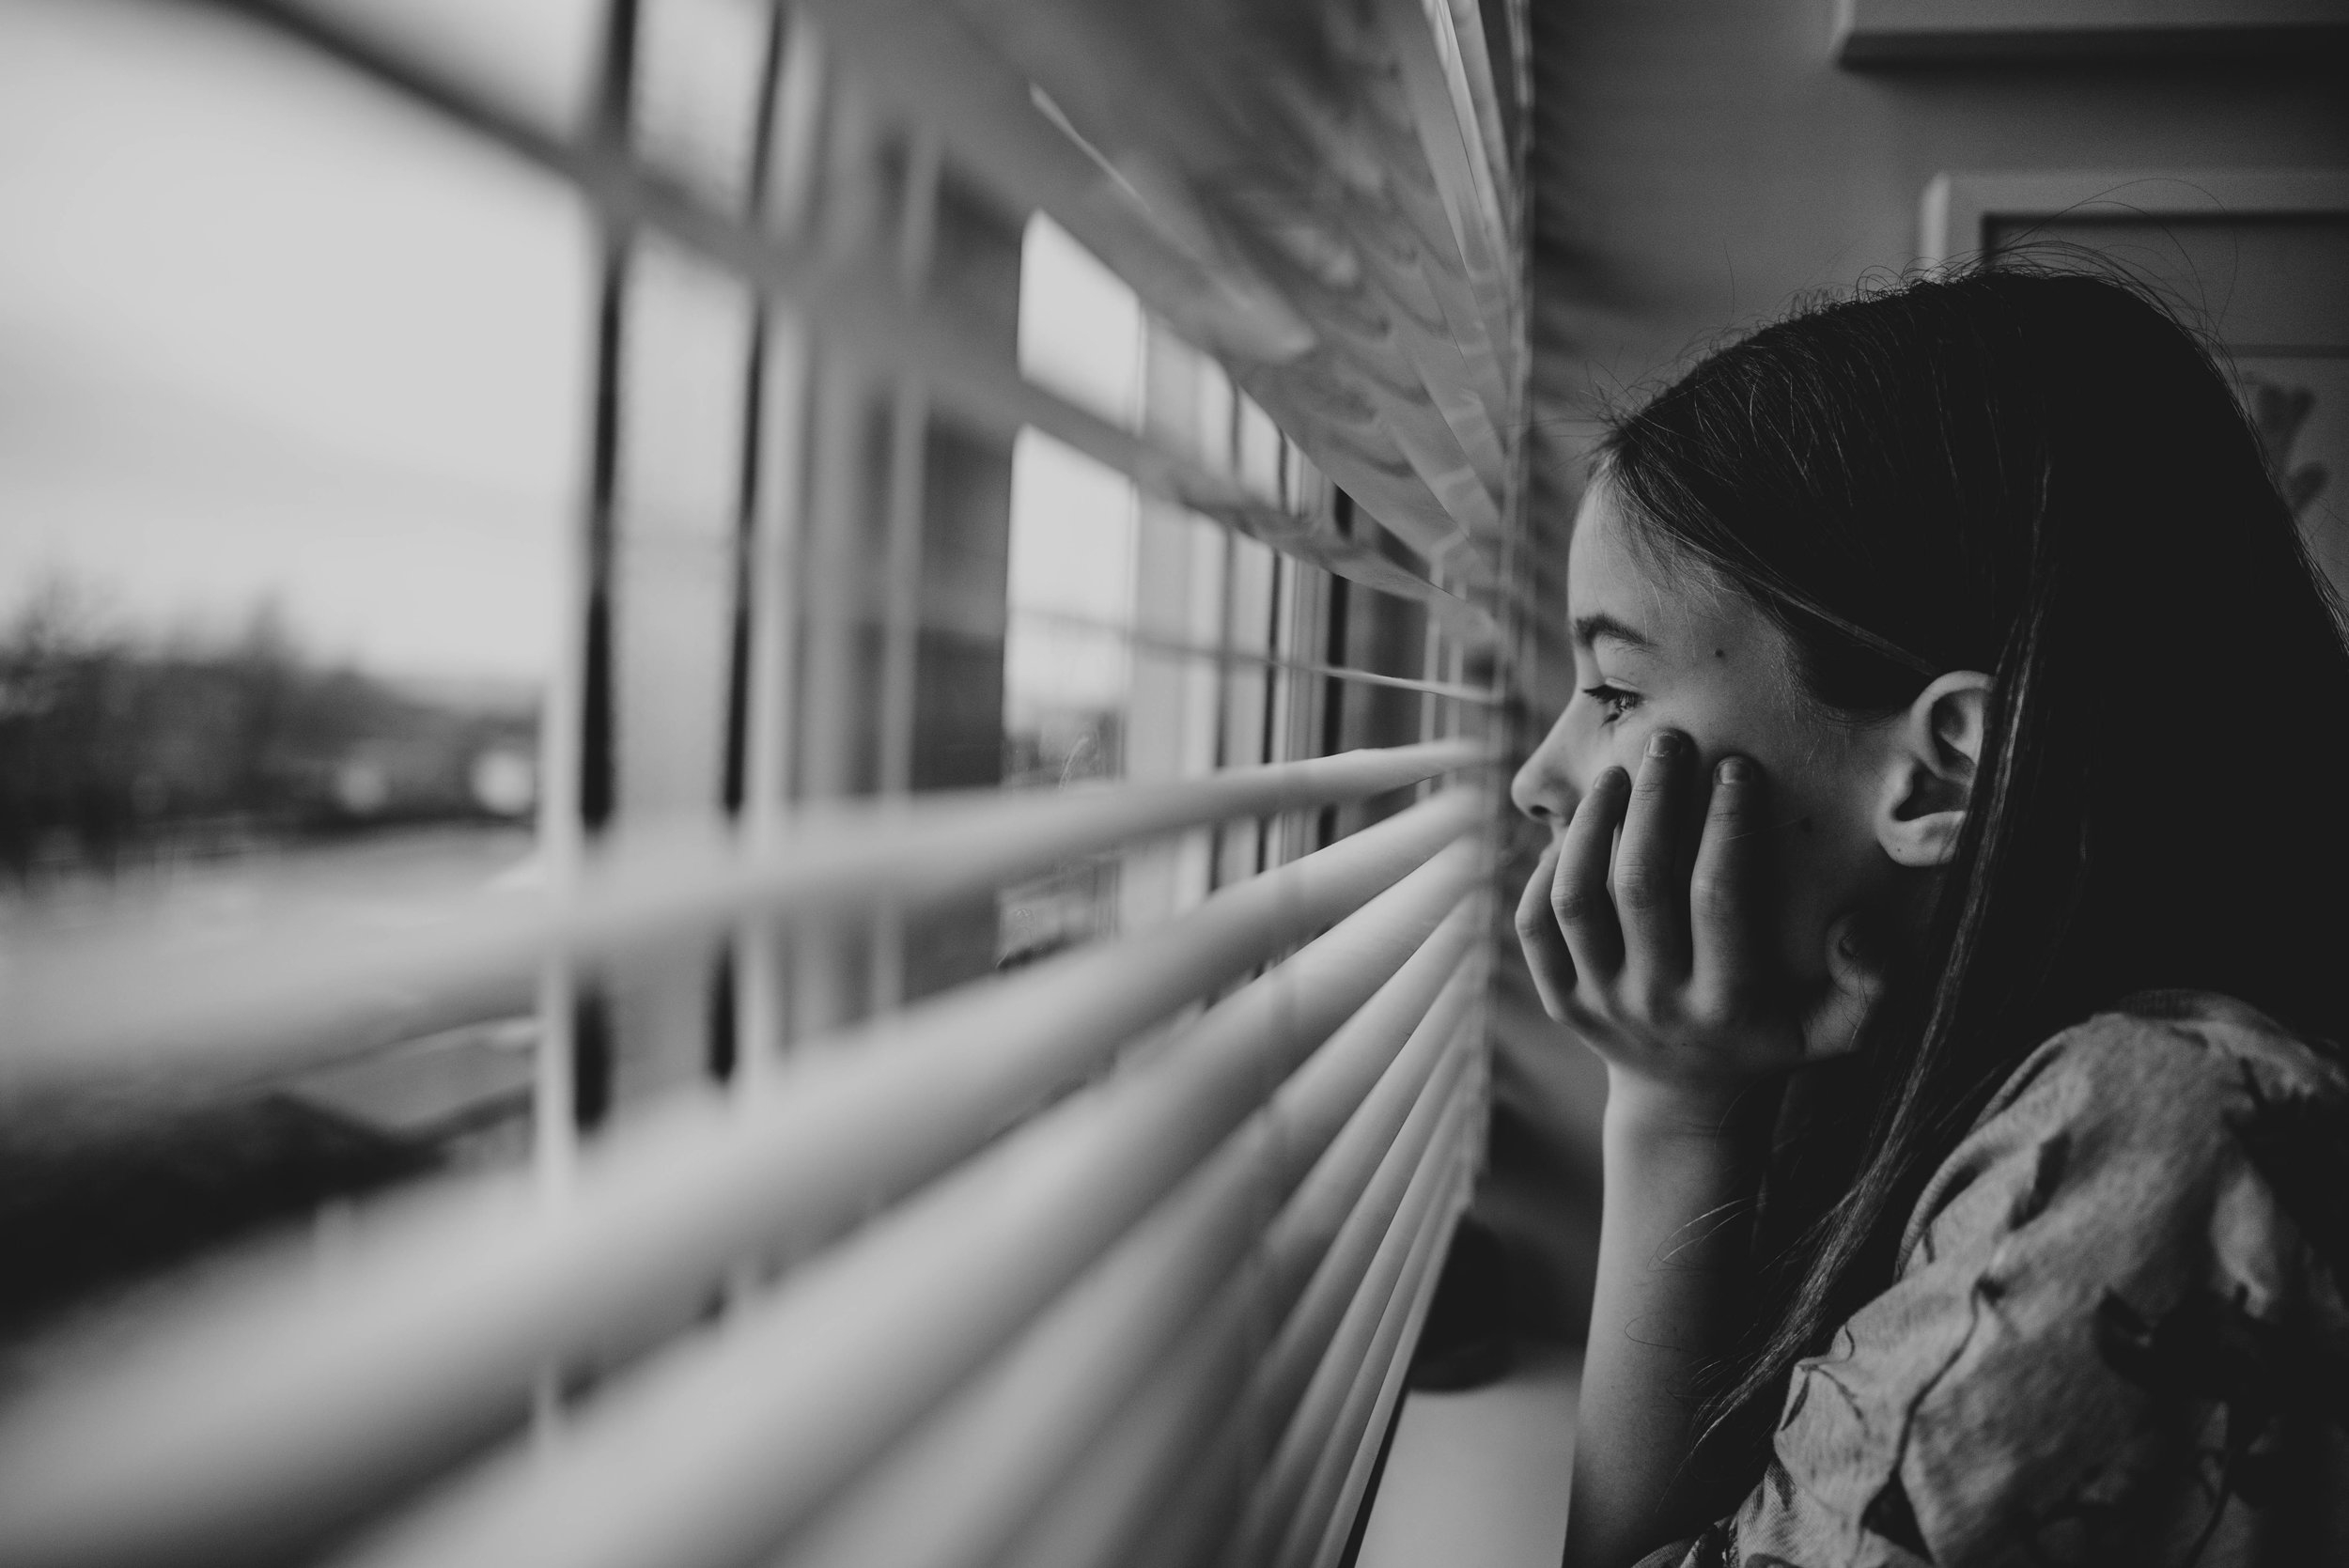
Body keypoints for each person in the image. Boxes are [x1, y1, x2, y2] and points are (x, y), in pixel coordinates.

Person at [1508, 265, 2349, 1567]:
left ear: (1951, 764)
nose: (1537, 776)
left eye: (1615, 690)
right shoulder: (1937, 1070)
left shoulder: (2147, 1128)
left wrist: (1669, 1113)